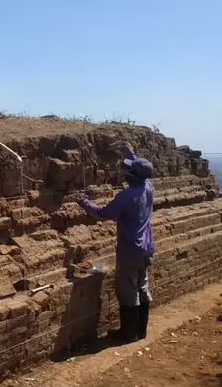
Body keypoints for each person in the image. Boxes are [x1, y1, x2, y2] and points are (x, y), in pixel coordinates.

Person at [79, 142, 154, 343]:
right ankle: (141, 331)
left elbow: (104, 214)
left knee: (128, 289)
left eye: (128, 170)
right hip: (147, 247)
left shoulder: (127, 196)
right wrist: (128, 151)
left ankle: (128, 333)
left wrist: (84, 203)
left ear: (133, 175)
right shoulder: (148, 187)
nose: (125, 172)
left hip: (130, 250)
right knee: (142, 285)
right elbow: (138, 164)